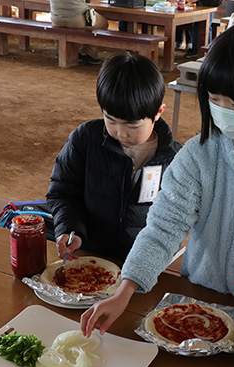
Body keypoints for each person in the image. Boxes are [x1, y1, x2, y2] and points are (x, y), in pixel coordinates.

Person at [81, 22, 234, 335]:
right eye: (215, 99)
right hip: (199, 300)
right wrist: (124, 291)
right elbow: (163, 227)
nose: (223, 111)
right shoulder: (198, 156)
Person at [47, 53, 182, 262]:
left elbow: (174, 221)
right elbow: (63, 191)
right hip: (88, 255)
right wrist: (69, 228)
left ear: (158, 112)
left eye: (132, 125)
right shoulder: (85, 140)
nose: (121, 133)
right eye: (110, 120)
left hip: (141, 266)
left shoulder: (174, 160)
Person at [49, 0, 109, 65]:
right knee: (103, 23)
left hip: (56, 19)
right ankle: (88, 53)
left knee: (61, 26)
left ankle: (60, 50)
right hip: (78, 19)